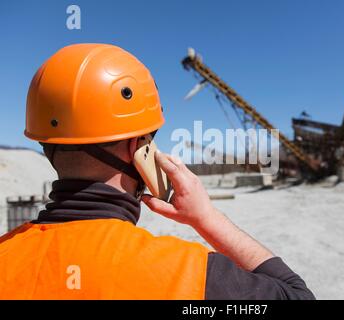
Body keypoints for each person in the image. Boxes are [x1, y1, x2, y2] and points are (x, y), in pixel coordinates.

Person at [0, 43, 315, 300]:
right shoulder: (189, 275)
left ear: (47, 145)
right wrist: (207, 219)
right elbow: (297, 296)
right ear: (141, 147)